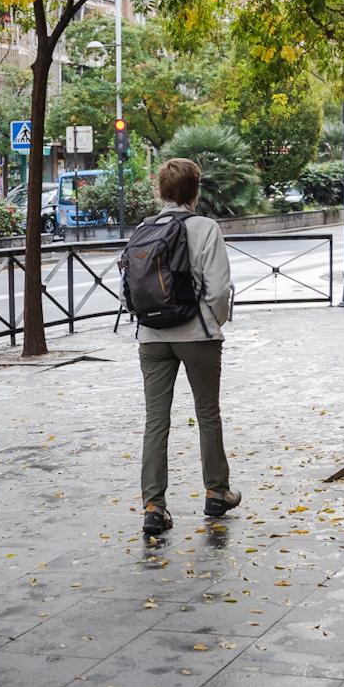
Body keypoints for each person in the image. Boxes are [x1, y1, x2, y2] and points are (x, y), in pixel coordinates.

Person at [137, 158, 238, 536]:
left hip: (151, 336)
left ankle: (153, 506)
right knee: (207, 413)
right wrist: (212, 323)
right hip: (197, 335)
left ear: (160, 191)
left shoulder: (144, 229)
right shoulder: (205, 228)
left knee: (155, 421)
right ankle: (216, 492)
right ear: (195, 191)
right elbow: (217, 289)